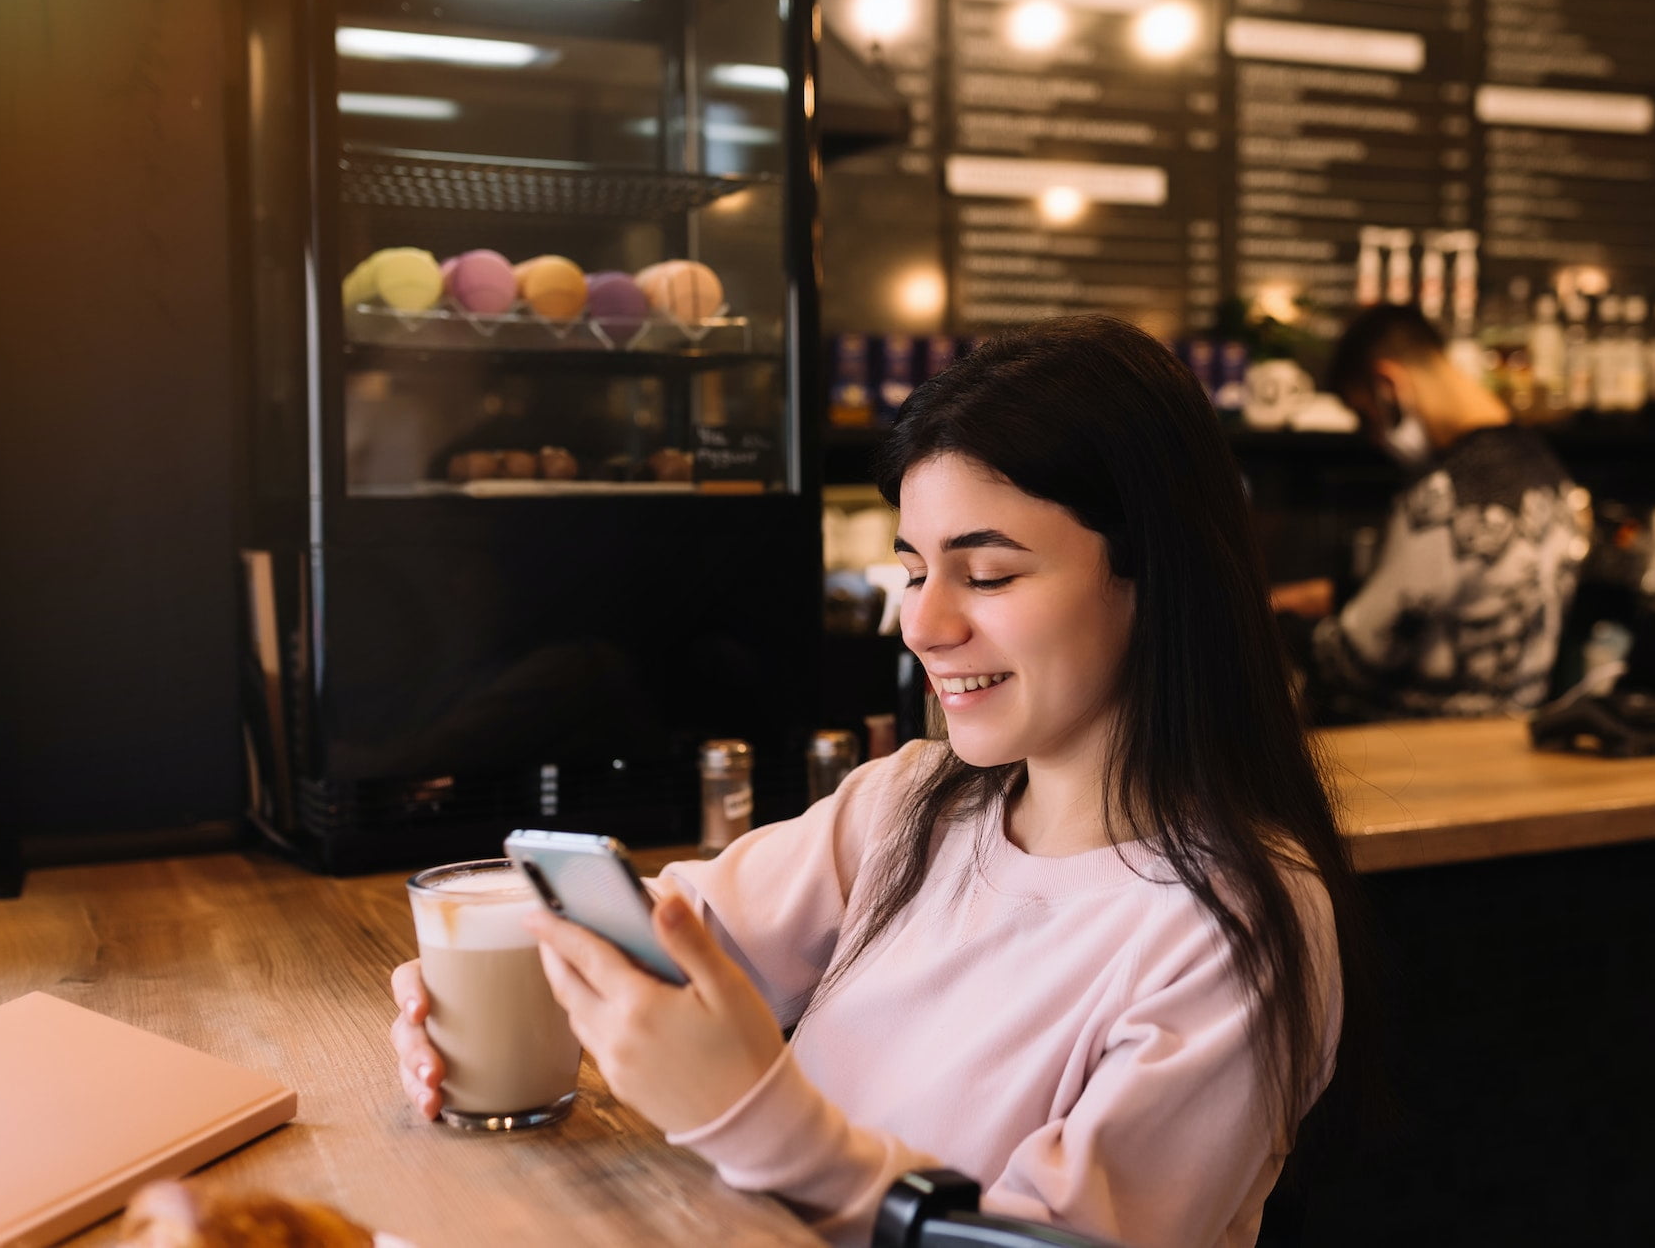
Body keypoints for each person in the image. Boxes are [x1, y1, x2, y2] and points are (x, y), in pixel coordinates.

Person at [388, 314, 1370, 1247]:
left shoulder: (1231, 926)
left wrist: (762, 1123)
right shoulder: (909, 802)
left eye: (985, 575)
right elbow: (674, 931)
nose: (922, 623)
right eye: (912, 570)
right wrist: (500, 977)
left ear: (1155, 573)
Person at [1270, 304, 1588, 720]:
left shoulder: (1443, 497)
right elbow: (1445, 597)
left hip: (1427, 759)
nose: (1376, 439)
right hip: (1515, 744)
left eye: (1368, 417)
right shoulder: (1552, 476)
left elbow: (1354, 658)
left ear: (1388, 384)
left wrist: (1259, 622)